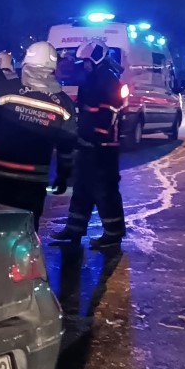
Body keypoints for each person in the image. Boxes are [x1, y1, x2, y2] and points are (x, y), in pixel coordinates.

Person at [0, 42, 76, 226]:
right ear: (53, 68)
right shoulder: (65, 104)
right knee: (26, 232)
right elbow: (67, 148)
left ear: (25, 63)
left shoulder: (4, 91)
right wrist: (63, 176)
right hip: (33, 184)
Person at [50, 42, 128, 249]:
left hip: (103, 148)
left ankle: (113, 234)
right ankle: (74, 228)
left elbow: (107, 115)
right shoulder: (94, 79)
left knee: (105, 190)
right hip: (88, 144)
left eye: (86, 61)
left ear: (95, 60)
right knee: (82, 187)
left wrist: (95, 138)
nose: (83, 65)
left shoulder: (107, 82)